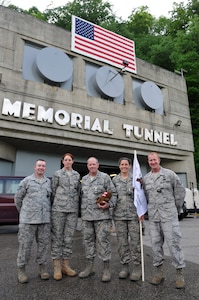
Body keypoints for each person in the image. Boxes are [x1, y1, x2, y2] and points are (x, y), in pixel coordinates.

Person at [143, 152, 186, 289]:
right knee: (155, 246)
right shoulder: (146, 178)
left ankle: (179, 274)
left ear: (159, 160)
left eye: (154, 159)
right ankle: (159, 273)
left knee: (174, 245)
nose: (153, 162)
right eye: (150, 160)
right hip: (154, 218)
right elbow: (145, 197)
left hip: (169, 216)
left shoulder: (170, 174)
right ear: (148, 162)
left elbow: (179, 192)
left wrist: (175, 209)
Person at [79, 157, 117, 282]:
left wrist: (109, 204)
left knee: (102, 242)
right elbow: (80, 196)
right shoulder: (83, 179)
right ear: (87, 166)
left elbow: (113, 193)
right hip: (86, 217)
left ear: (98, 165)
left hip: (102, 217)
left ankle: (106, 269)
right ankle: (89, 267)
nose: (92, 166)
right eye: (90, 164)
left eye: (94, 164)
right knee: (88, 242)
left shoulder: (105, 177)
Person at [14, 159, 52, 284]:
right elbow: (18, 199)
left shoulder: (48, 183)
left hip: (44, 220)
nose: (41, 168)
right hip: (28, 221)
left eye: (43, 166)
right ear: (35, 167)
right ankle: (22, 270)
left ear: (45, 168)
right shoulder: (27, 181)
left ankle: (42, 269)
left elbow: (50, 200)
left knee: (43, 246)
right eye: (39, 165)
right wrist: (25, 212)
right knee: (25, 246)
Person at [51, 153, 80, 280]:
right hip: (58, 210)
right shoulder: (57, 174)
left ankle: (65, 265)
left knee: (68, 238)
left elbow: (78, 191)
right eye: (65, 160)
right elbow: (53, 190)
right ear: (63, 161)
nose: (68, 162)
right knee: (57, 237)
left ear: (73, 162)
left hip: (72, 211)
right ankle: (56, 266)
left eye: (70, 160)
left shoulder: (76, 175)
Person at [112, 157, 142, 281]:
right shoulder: (114, 180)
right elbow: (112, 196)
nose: (124, 166)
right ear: (119, 166)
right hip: (119, 216)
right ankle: (124, 266)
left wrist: (141, 212)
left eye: (126, 164)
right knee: (122, 243)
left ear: (130, 166)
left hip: (133, 216)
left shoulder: (136, 179)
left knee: (135, 243)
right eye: (122, 164)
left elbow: (141, 196)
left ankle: (137, 267)